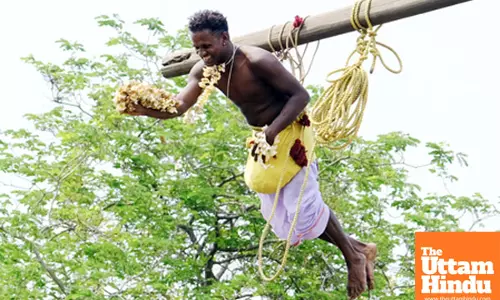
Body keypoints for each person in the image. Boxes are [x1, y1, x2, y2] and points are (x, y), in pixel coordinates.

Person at [127, 9, 377, 300]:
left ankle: (353, 257)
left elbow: (301, 97)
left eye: (206, 47)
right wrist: (145, 109)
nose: (202, 54)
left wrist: (272, 131)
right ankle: (360, 247)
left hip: (290, 129)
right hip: (263, 138)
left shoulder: (257, 60)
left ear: (224, 38)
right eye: (197, 48)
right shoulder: (204, 71)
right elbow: (179, 105)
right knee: (283, 218)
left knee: (302, 206)